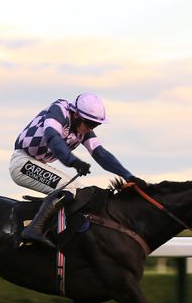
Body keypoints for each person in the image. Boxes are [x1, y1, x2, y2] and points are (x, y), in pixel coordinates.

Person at [10, 93, 145, 248]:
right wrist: (73, 161)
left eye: (95, 126)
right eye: (89, 124)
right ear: (76, 115)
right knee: (70, 189)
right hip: (22, 162)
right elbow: (52, 137)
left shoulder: (81, 127)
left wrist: (129, 176)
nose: (90, 129)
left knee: (82, 193)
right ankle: (34, 229)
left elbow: (100, 153)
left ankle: (58, 232)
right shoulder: (59, 110)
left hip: (37, 163)